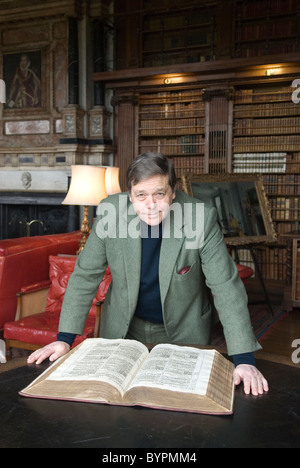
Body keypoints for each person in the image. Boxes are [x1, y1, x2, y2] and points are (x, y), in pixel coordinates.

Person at [28, 152, 269, 396]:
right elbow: (85, 275)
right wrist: (64, 338)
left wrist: (244, 359)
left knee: (178, 407)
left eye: (159, 194)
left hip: (185, 329)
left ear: (173, 192)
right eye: (141, 195)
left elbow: (225, 286)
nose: (150, 205)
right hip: (124, 328)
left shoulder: (201, 217)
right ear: (129, 195)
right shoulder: (111, 212)